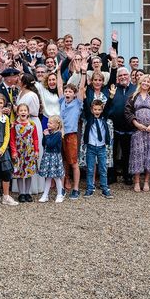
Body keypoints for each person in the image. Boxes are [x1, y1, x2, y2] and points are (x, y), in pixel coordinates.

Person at [124, 74, 150, 193]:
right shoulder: (133, 96)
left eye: (148, 82)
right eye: (143, 81)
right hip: (138, 130)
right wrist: (137, 124)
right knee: (138, 154)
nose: (145, 83)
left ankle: (146, 181)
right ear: (139, 83)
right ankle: (137, 182)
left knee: (149, 155)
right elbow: (127, 112)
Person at [57, 61, 86, 199]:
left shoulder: (77, 103)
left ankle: (75, 188)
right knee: (63, 162)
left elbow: (81, 88)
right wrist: (58, 71)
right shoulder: (62, 101)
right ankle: (61, 188)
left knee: (73, 162)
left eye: (70, 91)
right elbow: (58, 86)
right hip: (60, 135)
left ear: (74, 94)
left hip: (71, 135)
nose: (67, 93)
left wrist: (84, 73)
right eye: (66, 91)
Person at [15, 73, 44, 194]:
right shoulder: (20, 92)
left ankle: (33, 187)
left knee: (31, 153)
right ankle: (21, 187)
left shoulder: (32, 95)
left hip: (31, 122)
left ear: (24, 82)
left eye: (20, 79)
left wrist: (17, 109)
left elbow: (35, 111)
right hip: (21, 124)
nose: (17, 80)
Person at [83, 94, 115, 200]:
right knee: (90, 169)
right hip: (91, 147)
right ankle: (90, 188)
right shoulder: (89, 117)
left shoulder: (103, 117)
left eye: (99, 109)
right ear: (92, 110)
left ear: (101, 110)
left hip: (101, 147)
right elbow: (86, 105)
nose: (97, 111)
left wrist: (111, 97)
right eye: (95, 109)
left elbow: (108, 107)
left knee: (103, 168)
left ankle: (105, 188)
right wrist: (84, 96)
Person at [10, 103, 39, 203]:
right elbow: (12, 139)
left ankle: (27, 193)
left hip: (29, 152)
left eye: (25, 110)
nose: (23, 112)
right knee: (19, 173)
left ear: (28, 112)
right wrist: (13, 151)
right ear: (17, 112)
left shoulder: (32, 124)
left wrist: (36, 150)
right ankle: (21, 193)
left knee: (28, 173)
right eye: (21, 110)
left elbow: (35, 138)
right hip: (19, 151)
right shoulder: (14, 125)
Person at [38, 115, 66, 203]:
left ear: (57, 125)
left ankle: (60, 194)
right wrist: (44, 135)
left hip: (54, 157)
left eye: (50, 123)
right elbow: (44, 144)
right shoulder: (49, 133)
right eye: (48, 122)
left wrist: (46, 136)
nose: (48, 124)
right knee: (48, 177)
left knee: (56, 177)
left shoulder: (58, 134)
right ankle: (45, 195)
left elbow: (50, 144)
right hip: (47, 156)